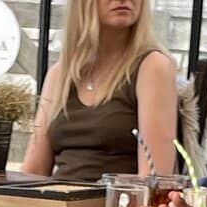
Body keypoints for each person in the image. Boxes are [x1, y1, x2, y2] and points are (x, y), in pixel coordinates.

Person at [22, 0, 178, 181]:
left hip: (115, 205)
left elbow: (154, 178)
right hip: (55, 203)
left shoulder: (152, 67)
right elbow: (33, 170)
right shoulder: (61, 74)